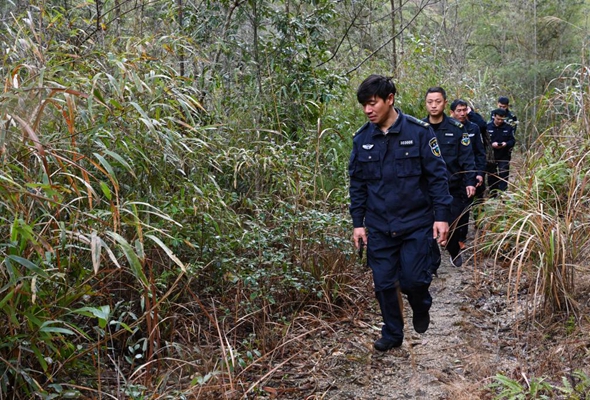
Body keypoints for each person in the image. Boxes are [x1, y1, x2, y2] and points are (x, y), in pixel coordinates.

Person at [349, 75, 452, 351]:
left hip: (416, 224)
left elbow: (437, 177)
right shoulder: (362, 140)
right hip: (380, 226)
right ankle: (393, 334)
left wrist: (441, 216)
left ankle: (421, 302)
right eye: (364, 106)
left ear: (390, 99)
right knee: (383, 284)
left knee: (413, 280)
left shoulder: (419, 133)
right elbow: (357, 184)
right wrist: (358, 223)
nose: (368, 110)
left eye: (373, 104)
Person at [423, 88, 476, 268]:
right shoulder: (419, 129)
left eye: (437, 101)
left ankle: (454, 249)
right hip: (426, 189)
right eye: (430, 102)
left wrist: (470, 182)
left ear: (445, 103)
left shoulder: (457, 129)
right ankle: (433, 261)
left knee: (451, 224)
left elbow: (467, 158)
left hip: (453, 187)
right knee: (427, 225)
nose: (434, 105)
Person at [450, 99, 486, 249]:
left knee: (465, 208)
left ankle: (460, 238)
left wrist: (479, 173)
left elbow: (479, 153)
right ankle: (449, 235)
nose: (462, 113)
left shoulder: (473, 128)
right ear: (452, 112)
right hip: (451, 175)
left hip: (469, 175)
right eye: (459, 110)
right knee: (450, 207)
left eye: (464, 110)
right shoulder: (447, 128)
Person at [487, 108, 516, 194]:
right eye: (498, 119)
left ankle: (503, 194)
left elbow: (512, 141)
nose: (500, 121)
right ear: (494, 117)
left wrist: (505, 144)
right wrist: (491, 144)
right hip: (491, 156)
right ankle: (493, 193)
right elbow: (483, 141)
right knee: (492, 175)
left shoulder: (509, 128)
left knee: (504, 173)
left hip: (504, 155)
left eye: (502, 119)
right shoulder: (487, 127)